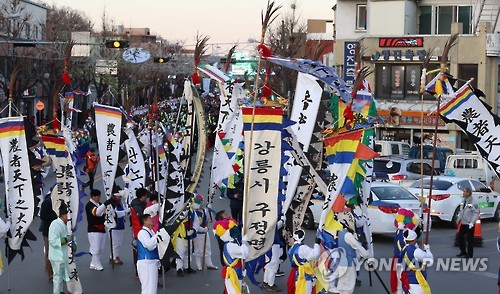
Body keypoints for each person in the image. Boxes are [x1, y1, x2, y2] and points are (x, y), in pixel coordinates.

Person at [336, 212, 371, 294]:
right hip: (349, 263)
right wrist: (367, 254)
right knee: (348, 286)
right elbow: (357, 246)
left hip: (341, 262)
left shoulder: (340, 232)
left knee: (342, 285)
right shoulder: (348, 235)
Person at [213, 218, 248, 294]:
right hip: (234, 273)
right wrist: (245, 242)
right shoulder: (230, 246)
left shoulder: (230, 243)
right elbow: (245, 253)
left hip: (235, 272)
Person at [48, 202, 74, 294]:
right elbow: (52, 241)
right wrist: (66, 240)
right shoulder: (55, 224)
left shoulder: (67, 224)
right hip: (56, 255)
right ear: (63, 215)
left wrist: (74, 245)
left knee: (63, 276)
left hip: (63, 255)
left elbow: (71, 237)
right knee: (57, 276)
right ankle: (57, 292)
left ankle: (61, 291)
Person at [399, 229, 433, 294]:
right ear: (414, 239)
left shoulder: (404, 248)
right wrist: (427, 249)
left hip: (407, 279)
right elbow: (430, 260)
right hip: (415, 281)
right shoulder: (415, 251)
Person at [287, 229, 321, 294]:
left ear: (294, 239)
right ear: (304, 238)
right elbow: (316, 255)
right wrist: (317, 244)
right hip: (304, 274)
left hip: (295, 274)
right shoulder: (302, 248)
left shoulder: (291, 249)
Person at [192, 194, 218, 271]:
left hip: (205, 232)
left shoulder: (205, 211)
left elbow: (209, 220)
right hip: (197, 233)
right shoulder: (194, 212)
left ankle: (209, 263)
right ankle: (198, 265)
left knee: (207, 247)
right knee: (198, 249)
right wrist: (201, 229)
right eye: (201, 203)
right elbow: (194, 224)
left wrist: (210, 211)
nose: (202, 204)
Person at [105, 189, 130, 265]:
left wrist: (127, 213)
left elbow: (125, 212)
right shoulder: (111, 204)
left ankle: (113, 255)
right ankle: (114, 257)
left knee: (118, 242)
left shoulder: (121, 203)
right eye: (118, 196)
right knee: (115, 242)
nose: (120, 198)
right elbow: (115, 214)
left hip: (121, 225)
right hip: (113, 226)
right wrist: (125, 212)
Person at [137, 214, 160, 294]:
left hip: (151, 262)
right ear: (145, 221)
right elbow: (149, 245)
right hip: (146, 263)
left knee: (152, 289)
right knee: (148, 289)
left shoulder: (151, 232)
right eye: (149, 218)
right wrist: (158, 234)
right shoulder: (142, 232)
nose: (152, 219)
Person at [85, 189, 107, 271]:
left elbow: (104, 213)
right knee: (96, 248)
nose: (98, 198)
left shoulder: (100, 204)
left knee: (101, 248)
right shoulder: (89, 205)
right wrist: (105, 205)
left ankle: (93, 262)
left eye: (99, 196)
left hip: (102, 228)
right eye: (97, 196)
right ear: (93, 196)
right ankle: (97, 263)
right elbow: (97, 213)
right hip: (93, 229)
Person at [456, 187, 480, 258]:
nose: (463, 193)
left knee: (470, 240)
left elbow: (476, 212)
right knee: (460, 237)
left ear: (469, 193)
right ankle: (463, 251)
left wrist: (472, 222)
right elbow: (461, 211)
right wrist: (458, 220)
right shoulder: (463, 201)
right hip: (464, 223)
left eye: (465, 192)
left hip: (470, 224)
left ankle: (469, 254)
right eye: (463, 192)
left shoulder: (474, 202)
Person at [131, 188, 149, 276]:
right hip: (139, 231)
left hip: (138, 231)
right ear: (143, 196)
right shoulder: (138, 206)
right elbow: (142, 218)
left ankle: (139, 271)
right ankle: (138, 271)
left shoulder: (138, 204)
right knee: (139, 251)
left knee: (139, 251)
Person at [40, 192, 58, 280]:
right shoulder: (47, 202)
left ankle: (57, 271)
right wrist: (55, 216)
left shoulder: (57, 201)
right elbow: (43, 216)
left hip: (57, 230)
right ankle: (50, 274)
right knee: (49, 252)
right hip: (48, 231)